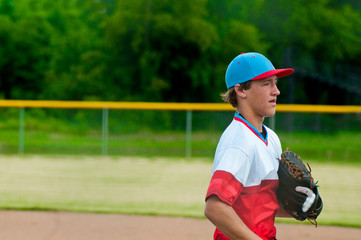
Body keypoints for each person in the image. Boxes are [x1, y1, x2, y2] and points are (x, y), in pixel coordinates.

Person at [204, 52, 297, 240]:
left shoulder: (271, 138)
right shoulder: (238, 142)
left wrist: (298, 207)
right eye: (266, 84)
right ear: (241, 90)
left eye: (275, 83)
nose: (276, 91)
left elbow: (259, 204)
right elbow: (214, 207)